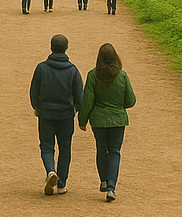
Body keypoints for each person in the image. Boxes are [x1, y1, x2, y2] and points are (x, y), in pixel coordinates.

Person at [78, 43, 136, 202]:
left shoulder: (92, 75)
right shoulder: (122, 76)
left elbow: (87, 101)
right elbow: (130, 101)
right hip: (118, 119)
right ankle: (111, 187)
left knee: (101, 149)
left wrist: (82, 120)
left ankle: (103, 180)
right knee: (115, 152)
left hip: (98, 120)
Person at [29, 34, 83, 196]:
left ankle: (51, 171)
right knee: (65, 147)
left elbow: (34, 91)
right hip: (66, 115)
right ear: (66, 48)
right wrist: (75, 110)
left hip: (46, 113)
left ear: (51, 47)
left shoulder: (41, 68)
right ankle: (62, 183)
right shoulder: (73, 70)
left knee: (46, 145)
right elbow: (79, 95)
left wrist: (37, 106)